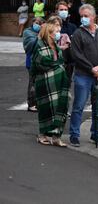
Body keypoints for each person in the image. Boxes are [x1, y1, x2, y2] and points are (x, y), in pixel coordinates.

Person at [69, 4, 98, 147]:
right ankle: (74, 135)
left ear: (93, 17)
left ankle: (96, 134)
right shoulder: (78, 33)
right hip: (83, 75)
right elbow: (76, 55)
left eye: (86, 16)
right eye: (81, 16)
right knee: (79, 106)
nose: (83, 19)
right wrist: (91, 68)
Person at [30, 19, 69, 147]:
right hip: (45, 83)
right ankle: (43, 134)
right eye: (56, 31)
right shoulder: (40, 44)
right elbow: (40, 63)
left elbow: (62, 61)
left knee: (60, 108)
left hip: (59, 83)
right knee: (46, 109)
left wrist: (58, 66)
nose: (59, 33)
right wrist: (57, 65)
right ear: (49, 33)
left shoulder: (57, 46)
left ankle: (56, 137)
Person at [23, 17, 45, 112]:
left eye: (40, 24)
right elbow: (30, 46)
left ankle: (39, 103)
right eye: (37, 23)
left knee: (40, 82)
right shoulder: (27, 32)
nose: (38, 25)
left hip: (42, 60)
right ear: (32, 23)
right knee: (33, 82)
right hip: (31, 61)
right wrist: (39, 36)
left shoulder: (43, 32)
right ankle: (31, 103)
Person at [56, 1, 77, 80]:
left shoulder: (73, 27)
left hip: (70, 62)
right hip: (56, 61)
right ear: (56, 11)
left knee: (67, 85)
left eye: (65, 9)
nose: (64, 12)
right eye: (61, 10)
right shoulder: (51, 26)